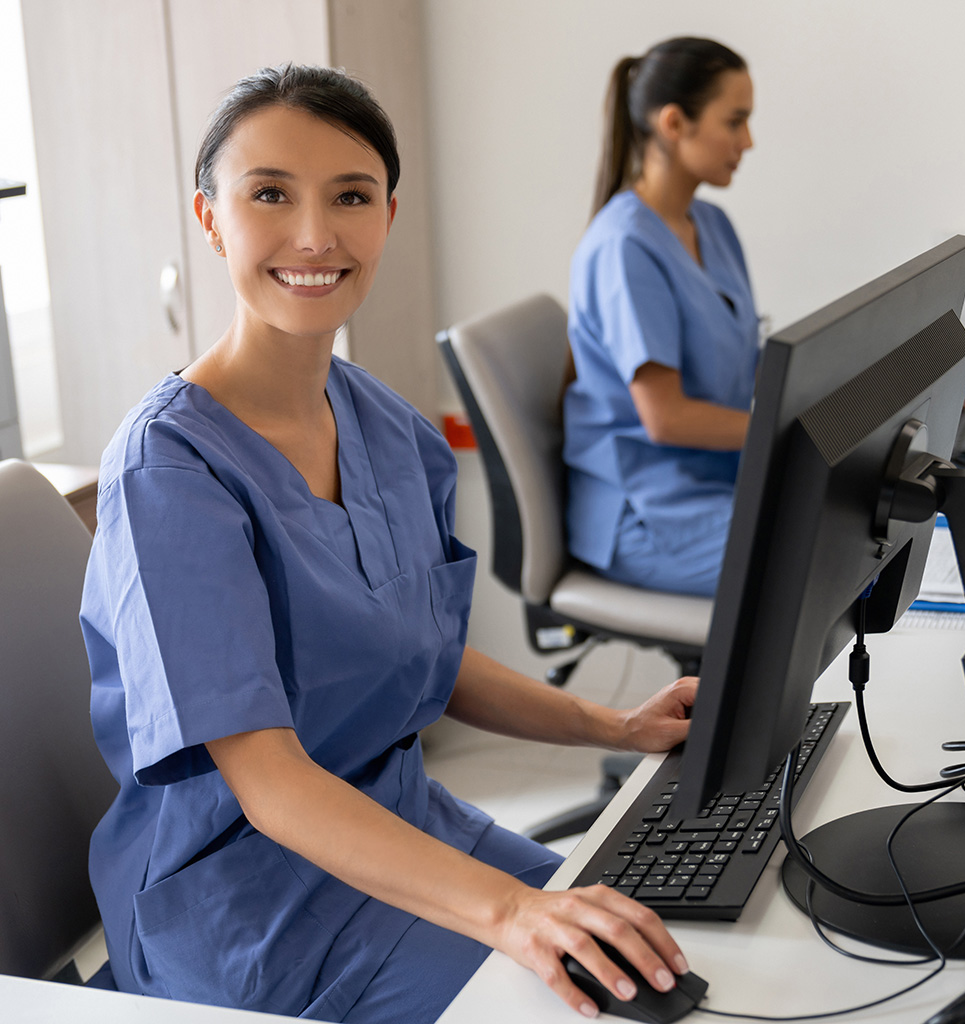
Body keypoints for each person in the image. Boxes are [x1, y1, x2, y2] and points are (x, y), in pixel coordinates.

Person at [80, 64, 701, 1024]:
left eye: (351, 197)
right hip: (254, 909)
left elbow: (418, 655)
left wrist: (614, 728)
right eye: (270, 194)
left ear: (388, 217)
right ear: (209, 218)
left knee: (656, 952)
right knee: (585, 995)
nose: (316, 235)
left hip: (401, 825)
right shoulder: (169, 472)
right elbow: (272, 784)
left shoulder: (385, 424)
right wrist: (511, 913)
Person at [563, 37, 759, 598]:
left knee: (856, 521)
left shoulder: (713, 226)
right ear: (674, 123)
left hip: (713, 487)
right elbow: (665, 419)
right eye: (735, 121)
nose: (748, 141)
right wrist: (792, 433)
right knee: (824, 552)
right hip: (648, 515)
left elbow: (747, 357)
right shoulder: (624, 247)